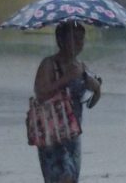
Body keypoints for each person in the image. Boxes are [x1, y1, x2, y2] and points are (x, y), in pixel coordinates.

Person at [34, 21, 102, 183]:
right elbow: (40, 94)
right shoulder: (49, 64)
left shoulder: (81, 67)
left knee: (72, 177)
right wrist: (66, 78)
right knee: (63, 178)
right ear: (60, 40)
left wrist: (95, 87)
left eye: (81, 39)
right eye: (74, 39)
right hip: (53, 134)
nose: (78, 44)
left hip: (73, 134)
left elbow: (91, 102)